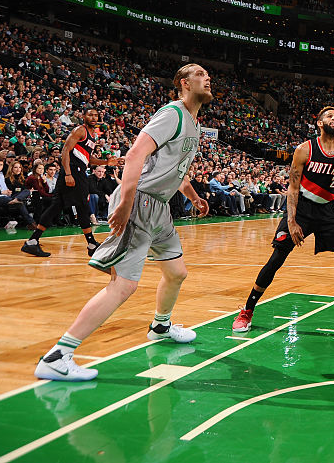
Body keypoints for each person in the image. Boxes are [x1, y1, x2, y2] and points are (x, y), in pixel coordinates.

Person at [34, 65, 212, 381]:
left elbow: (177, 171)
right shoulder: (172, 114)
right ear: (184, 83)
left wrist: (194, 197)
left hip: (158, 207)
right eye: (199, 74)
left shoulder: (195, 126)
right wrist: (127, 201)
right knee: (124, 284)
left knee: (176, 272)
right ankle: (58, 356)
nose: (207, 77)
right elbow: (134, 155)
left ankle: (160, 325)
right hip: (140, 201)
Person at [232, 106, 334, 333]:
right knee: (277, 257)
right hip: (303, 208)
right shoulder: (304, 150)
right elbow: (293, 187)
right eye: (329, 116)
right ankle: (247, 309)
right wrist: (292, 221)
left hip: (329, 210)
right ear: (319, 123)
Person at [20, 109, 120, 258]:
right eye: (90, 114)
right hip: (73, 171)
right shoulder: (80, 130)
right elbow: (65, 150)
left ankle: (32, 241)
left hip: (78, 170)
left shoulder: (93, 135)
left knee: (57, 206)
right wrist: (67, 173)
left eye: (96, 115)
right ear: (84, 117)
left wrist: (106, 162)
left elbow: (88, 158)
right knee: (82, 205)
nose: (93, 117)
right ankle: (91, 243)